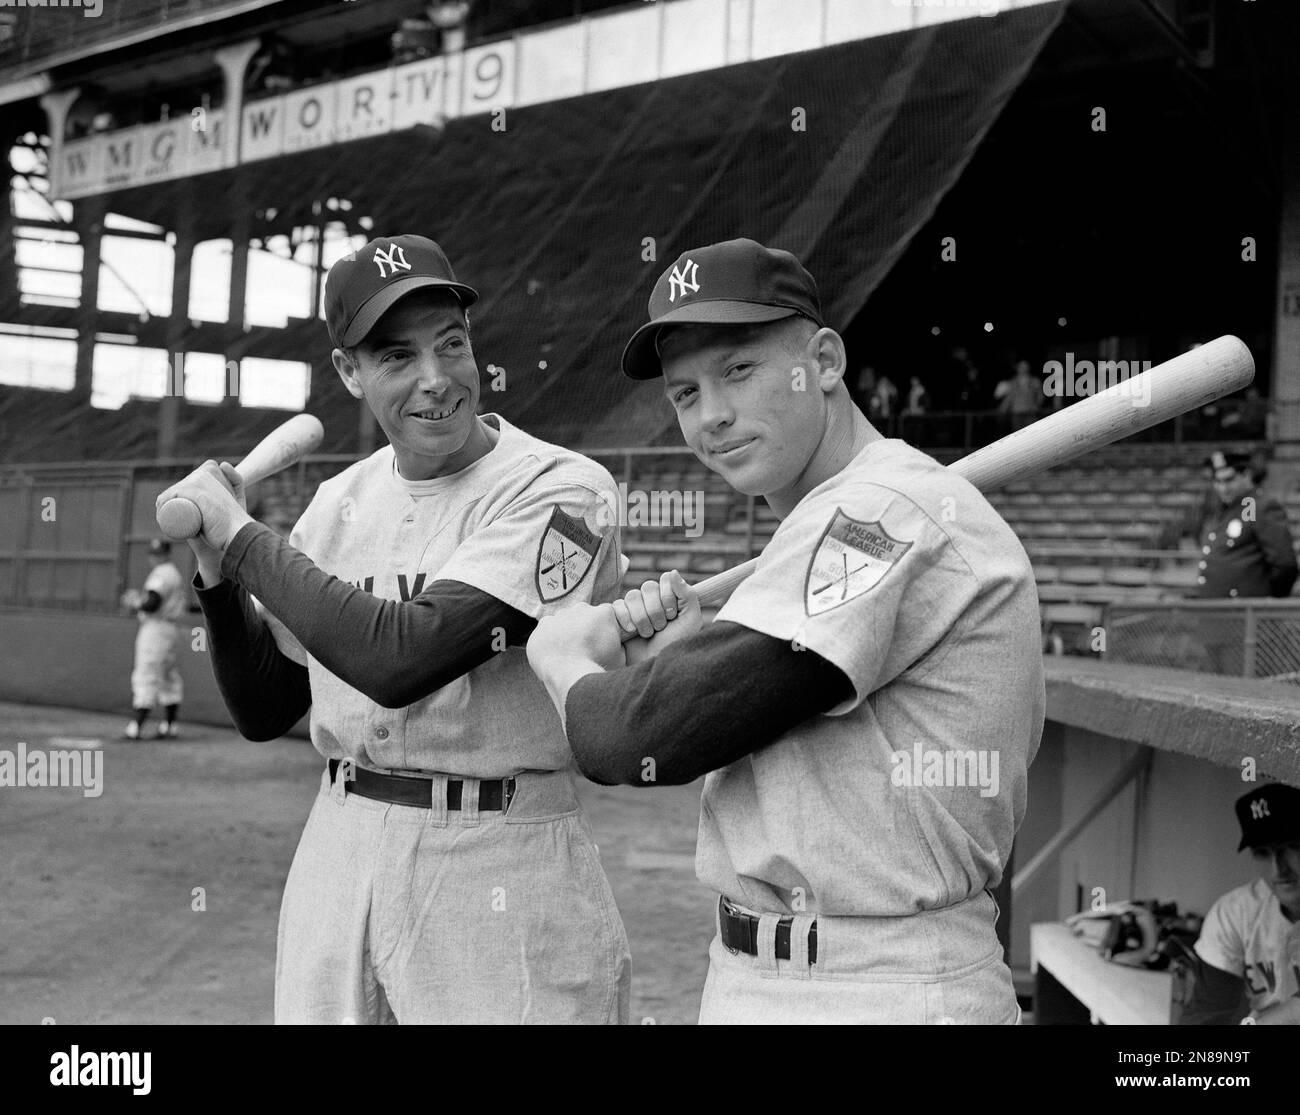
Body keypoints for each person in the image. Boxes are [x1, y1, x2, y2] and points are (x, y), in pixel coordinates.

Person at [526, 238, 1045, 1024]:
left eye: (739, 370)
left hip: (881, 982)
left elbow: (630, 739)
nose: (714, 415)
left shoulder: (881, 512)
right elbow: (731, 716)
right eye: (685, 393)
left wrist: (563, 656)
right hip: (759, 968)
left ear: (826, 360)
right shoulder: (835, 522)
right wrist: (689, 655)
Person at [155, 234, 631, 1024]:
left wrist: (243, 537)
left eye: (451, 344)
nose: (436, 380)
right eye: (397, 358)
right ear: (350, 372)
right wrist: (214, 566)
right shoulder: (339, 501)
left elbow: (402, 657)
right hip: (339, 845)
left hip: (495, 849)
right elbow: (266, 708)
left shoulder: (565, 490)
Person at [1180, 783, 1300, 1025]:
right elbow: (1209, 1015)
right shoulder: (1235, 914)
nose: (1279, 869)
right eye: (1263, 852)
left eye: (1291, 847)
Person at [1194, 450, 1297, 600]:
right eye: (1218, 481)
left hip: (1246, 613)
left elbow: (1285, 565)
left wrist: (1264, 599)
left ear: (1246, 475)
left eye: (1229, 480)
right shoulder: (1224, 509)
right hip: (1217, 611)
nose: (1223, 488)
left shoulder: (1260, 506)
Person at [120, 537, 186, 740]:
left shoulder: (163, 573)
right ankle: (169, 725)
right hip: (169, 629)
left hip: (156, 628)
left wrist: (135, 602)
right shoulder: (171, 572)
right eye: (153, 553)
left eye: (158, 553)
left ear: (166, 554)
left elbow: (152, 603)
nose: (155, 557)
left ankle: (136, 727)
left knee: (146, 673)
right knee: (168, 676)